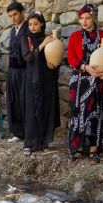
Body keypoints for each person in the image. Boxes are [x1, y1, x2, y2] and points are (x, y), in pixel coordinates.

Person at [67, 4, 103, 164]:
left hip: (100, 81)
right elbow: (71, 59)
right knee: (78, 112)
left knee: (96, 112)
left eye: (87, 18)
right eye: (81, 18)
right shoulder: (75, 36)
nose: (84, 21)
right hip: (80, 80)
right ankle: (77, 147)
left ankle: (94, 149)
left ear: (94, 17)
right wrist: (86, 68)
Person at [20, 12, 61, 156]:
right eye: (30, 24)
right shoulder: (26, 39)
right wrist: (43, 44)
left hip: (47, 77)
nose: (32, 27)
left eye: (35, 24)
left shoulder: (49, 38)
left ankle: (43, 142)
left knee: (45, 107)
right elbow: (28, 57)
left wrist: (54, 65)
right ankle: (30, 144)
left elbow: (55, 58)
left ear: (42, 24)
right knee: (32, 108)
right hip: (32, 79)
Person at [6, 2, 29, 143]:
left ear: (22, 13)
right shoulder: (13, 30)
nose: (13, 18)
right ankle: (17, 132)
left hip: (24, 71)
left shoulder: (28, 28)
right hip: (13, 70)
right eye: (10, 16)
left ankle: (27, 132)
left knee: (24, 100)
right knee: (13, 100)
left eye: (15, 14)